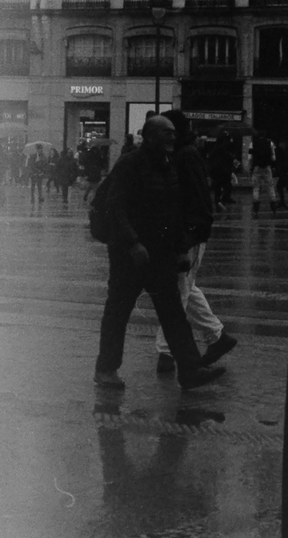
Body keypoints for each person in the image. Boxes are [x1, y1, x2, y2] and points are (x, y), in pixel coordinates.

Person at [93, 115, 225, 391]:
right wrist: (132, 243)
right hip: (129, 256)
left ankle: (190, 370)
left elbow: (172, 213)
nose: (172, 138)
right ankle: (106, 369)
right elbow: (115, 207)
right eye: (166, 134)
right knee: (118, 312)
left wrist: (180, 250)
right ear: (150, 136)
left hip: (159, 253)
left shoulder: (167, 166)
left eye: (174, 134)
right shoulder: (129, 164)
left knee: (173, 313)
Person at [154, 111, 238, 376]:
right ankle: (217, 336)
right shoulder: (182, 153)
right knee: (186, 289)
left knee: (176, 292)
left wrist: (190, 233)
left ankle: (167, 352)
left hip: (187, 235)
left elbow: (195, 198)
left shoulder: (185, 155)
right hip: (185, 233)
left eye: (167, 130)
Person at [249, 131, 277, 213]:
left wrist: (251, 167)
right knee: (270, 187)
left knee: (256, 188)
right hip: (267, 168)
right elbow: (273, 158)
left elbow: (250, 157)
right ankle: (273, 205)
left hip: (257, 168)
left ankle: (256, 207)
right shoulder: (270, 143)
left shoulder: (252, 143)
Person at [206, 133, 237, 208]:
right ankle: (222, 200)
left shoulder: (216, 149)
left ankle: (219, 201)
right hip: (223, 171)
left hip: (218, 171)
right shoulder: (223, 149)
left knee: (219, 188)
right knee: (226, 186)